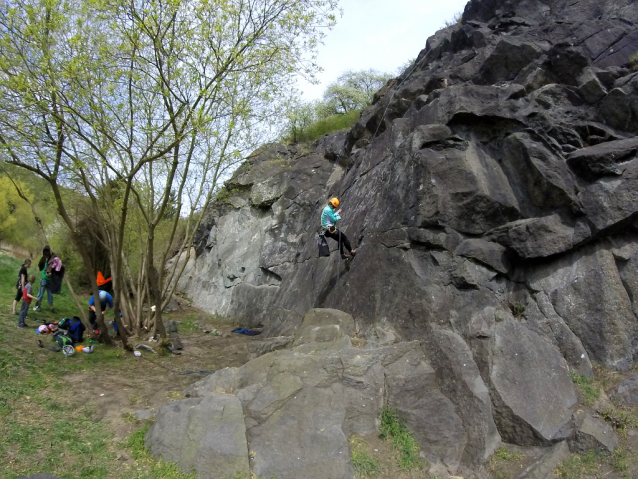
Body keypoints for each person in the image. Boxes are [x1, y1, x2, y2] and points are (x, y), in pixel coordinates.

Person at [34, 245, 60, 313]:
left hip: (50, 281)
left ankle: (51, 308)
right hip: (44, 280)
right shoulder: (45, 260)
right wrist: (46, 273)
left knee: (50, 295)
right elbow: (42, 268)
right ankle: (37, 306)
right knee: (41, 294)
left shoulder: (53, 263)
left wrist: (52, 274)